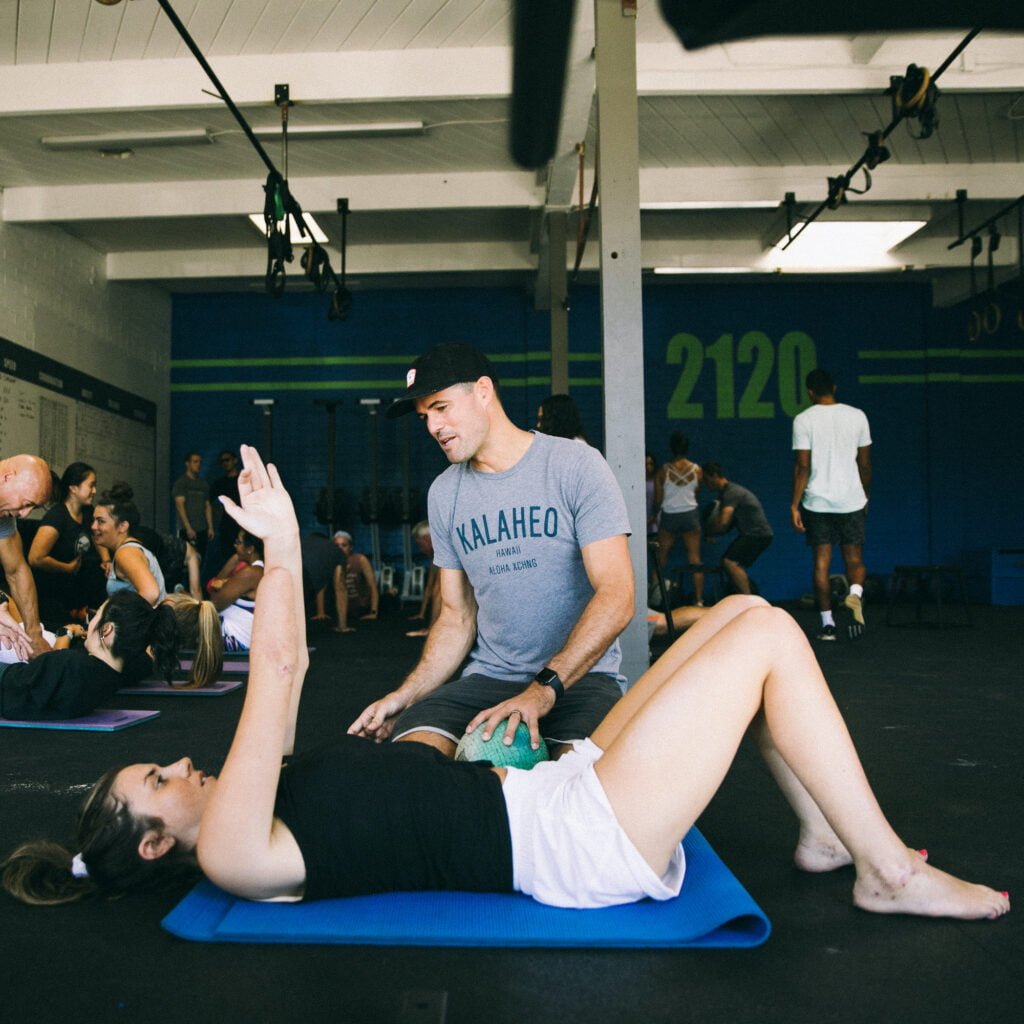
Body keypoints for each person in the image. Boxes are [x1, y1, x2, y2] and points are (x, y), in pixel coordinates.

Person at [2, 449, 1010, 926]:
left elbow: (332, 714)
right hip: (570, 839)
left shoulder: (255, 808)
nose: (180, 762)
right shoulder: (228, 850)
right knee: (773, 636)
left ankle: (823, 834)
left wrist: (452, 725)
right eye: (158, 780)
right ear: (156, 842)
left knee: (745, 613)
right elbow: (279, 665)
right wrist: (283, 545)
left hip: (552, 788)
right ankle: (885, 871)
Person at [350, 342, 634, 758]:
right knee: (412, 761)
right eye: (425, 416)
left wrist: (543, 690)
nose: (433, 427)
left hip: (580, 679)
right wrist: (405, 695)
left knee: (575, 780)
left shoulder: (575, 465)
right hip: (490, 678)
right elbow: (456, 616)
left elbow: (617, 594)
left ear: (483, 391)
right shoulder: (445, 494)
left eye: (441, 407)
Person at [0, 590, 176, 720]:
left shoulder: (70, 664)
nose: (90, 623)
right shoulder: (115, 676)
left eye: (95, 615)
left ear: (106, 630)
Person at [790, 369, 872, 641]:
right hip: (851, 499)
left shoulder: (804, 419)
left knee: (821, 564)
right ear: (834, 387)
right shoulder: (857, 416)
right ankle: (855, 593)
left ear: (809, 392)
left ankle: (828, 625)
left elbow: (802, 466)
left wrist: (794, 505)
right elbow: (864, 464)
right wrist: (865, 495)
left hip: (817, 502)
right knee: (855, 560)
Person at [27, 462, 101, 628]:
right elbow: (35, 558)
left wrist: (106, 560)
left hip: (77, 594)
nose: (94, 491)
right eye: (91, 485)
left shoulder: (88, 512)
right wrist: (67, 568)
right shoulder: (57, 517)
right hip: (54, 596)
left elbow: (97, 537)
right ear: (73, 488)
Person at [0, 454, 52, 659]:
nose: (25, 514)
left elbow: (16, 570)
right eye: (26, 503)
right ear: (7, 477)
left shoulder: (4, 516)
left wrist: (34, 634)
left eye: (33, 507)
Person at [700, 462, 773, 596]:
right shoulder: (724, 494)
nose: (704, 484)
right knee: (731, 564)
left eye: (705, 479)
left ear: (714, 475)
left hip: (757, 534)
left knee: (730, 562)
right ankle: (744, 594)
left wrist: (710, 532)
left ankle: (748, 599)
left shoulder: (731, 492)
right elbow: (729, 523)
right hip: (752, 534)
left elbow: (724, 522)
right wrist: (712, 533)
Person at [654, 432, 705, 605]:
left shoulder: (663, 470)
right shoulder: (697, 470)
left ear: (671, 448)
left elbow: (658, 499)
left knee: (661, 557)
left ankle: (654, 598)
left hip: (670, 515)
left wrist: (654, 514)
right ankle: (699, 600)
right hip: (691, 515)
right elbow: (697, 493)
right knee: (695, 559)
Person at [91, 493, 166, 606]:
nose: (93, 526)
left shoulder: (126, 553)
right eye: (94, 520)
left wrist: (120, 615)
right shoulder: (129, 549)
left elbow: (151, 594)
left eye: (101, 521)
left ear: (122, 526)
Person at [172, 451, 214, 572]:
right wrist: (188, 528)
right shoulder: (181, 483)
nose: (198, 464)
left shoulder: (203, 484)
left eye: (200, 462)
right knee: (187, 562)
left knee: (201, 560)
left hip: (202, 528)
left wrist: (210, 527)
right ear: (187, 463)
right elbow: (180, 505)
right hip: (188, 530)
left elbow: (207, 505)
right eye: (195, 462)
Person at [332, 531, 379, 631]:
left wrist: (373, 612)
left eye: (344, 545)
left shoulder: (360, 560)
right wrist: (321, 612)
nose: (340, 548)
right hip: (344, 609)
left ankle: (392, 591)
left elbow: (373, 586)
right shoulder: (330, 562)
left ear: (351, 547)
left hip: (361, 607)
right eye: (336, 546)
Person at [406, 520, 440, 638]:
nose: (421, 549)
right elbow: (429, 586)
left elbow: (438, 590)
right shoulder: (435, 557)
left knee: (440, 587)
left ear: (429, 539)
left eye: (420, 544)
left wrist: (431, 629)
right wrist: (422, 613)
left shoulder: (445, 553)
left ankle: (434, 629)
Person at [209, 450, 241, 566]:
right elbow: (209, 503)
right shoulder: (219, 483)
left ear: (235, 460)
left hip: (243, 522)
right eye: (222, 461)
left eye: (227, 460)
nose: (225, 463)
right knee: (226, 556)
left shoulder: (242, 480)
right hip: (226, 524)